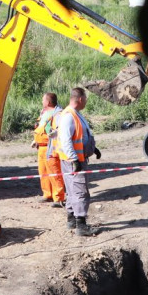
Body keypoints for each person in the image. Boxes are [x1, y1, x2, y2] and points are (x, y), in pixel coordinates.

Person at [53, 87, 101, 237]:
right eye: (85, 99)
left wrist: (93, 149)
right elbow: (65, 140)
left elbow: (80, 136)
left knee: (72, 191)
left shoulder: (74, 114)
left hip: (74, 159)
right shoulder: (69, 116)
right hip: (74, 161)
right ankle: (81, 225)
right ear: (80, 99)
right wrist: (75, 159)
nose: (86, 101)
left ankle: (72, 219)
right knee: (80, 192)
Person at [31, 92, 65, 207]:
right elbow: (41, 128)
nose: (41, 101)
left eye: (43, 100)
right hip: (41, 147)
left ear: (48, 102)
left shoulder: (58, 114)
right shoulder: (44, 113)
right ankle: (47, 194)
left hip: (50, 148)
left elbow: (58, 130)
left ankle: (58, 198)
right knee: (43, 172)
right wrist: (36, 140)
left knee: (54, 173)